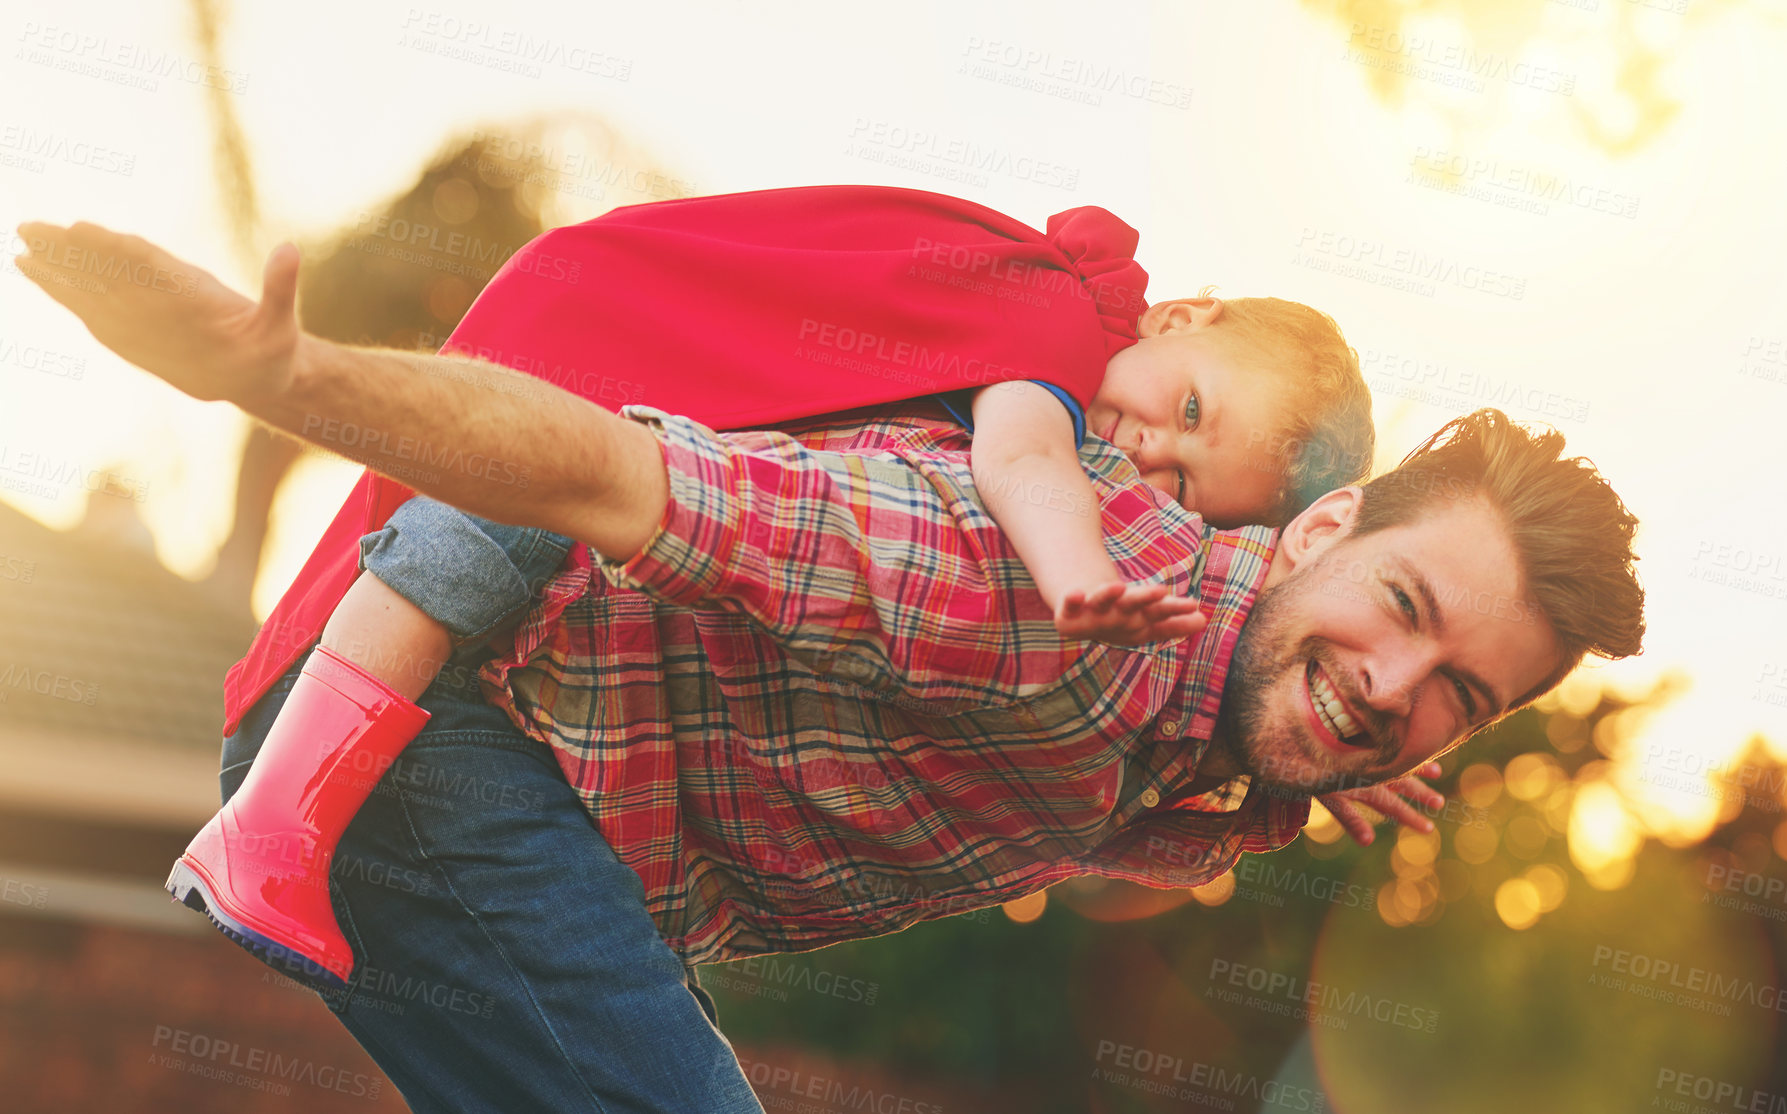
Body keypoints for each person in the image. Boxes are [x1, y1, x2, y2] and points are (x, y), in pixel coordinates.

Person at [14, 220, 1645, 1114]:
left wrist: (1277, 796)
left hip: (522, 814)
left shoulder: (1187, 715)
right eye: (1402, 604)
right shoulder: (1042, 573)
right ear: (1318, 533)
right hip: (442, 757)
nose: (1391, 684)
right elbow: (611, 469)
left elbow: (1098, 836)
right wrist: (283, 374)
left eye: (1456, 689)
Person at [163, 186, 1379, 988]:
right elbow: (1025, 465)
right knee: (510, 506)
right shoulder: (1056, 340)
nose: (1151, 454)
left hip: (676, 430)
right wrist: (1079, 575)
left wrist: (1328, 724)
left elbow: (1170, 708)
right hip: (634, 360)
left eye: (1189, 488)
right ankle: (276, 815)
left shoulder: (1084, 412)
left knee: (537, 513)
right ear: (1187, 314)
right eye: (1190, 409)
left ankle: (279, 811)